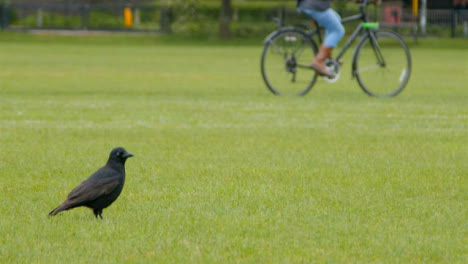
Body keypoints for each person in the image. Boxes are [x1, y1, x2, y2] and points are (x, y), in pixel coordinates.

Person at [296, 0, 345, 77]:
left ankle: (327, 58)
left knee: (336, 19)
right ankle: (319, 61)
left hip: (307, 4)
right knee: (338, 30)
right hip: (315, 5)